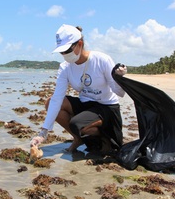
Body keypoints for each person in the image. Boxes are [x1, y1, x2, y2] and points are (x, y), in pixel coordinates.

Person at [30, 24, 127, 155]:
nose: (64, 54)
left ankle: (106, 137)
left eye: (67, 50)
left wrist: (119, 78)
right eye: (61, 51)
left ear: (79, 44)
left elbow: (120, 93)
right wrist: (43, 133)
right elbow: (57, 98)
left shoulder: (101, 60)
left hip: (107, 107)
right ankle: (78, 138)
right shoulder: (65, 67)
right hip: (86, 105)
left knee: (76, 124)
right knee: (50, 101)